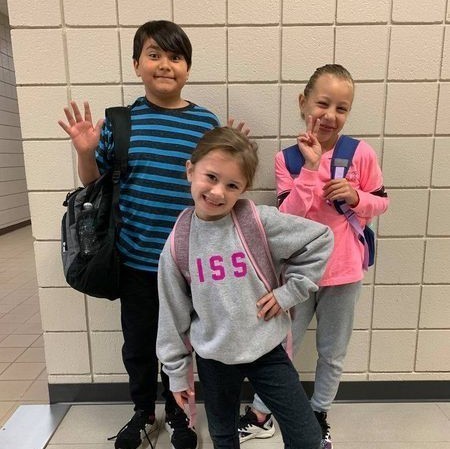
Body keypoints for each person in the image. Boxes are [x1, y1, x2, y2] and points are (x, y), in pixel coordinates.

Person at [58, 20, 226, 449]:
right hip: (135, 259)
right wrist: (84, 152)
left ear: (187, 67)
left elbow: (217, 184)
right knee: (138, 344)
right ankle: (141, 410)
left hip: (189, 262)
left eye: (175, 56)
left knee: (186, 342)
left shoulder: (206, 123)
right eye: (154, 55)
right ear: (137, 64)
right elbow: (94, 181)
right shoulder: (122, 120)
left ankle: (179, 413)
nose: (165, 64)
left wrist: (233, 157)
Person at [238, 64, 389, 449]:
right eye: (322, 103)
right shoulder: (287, 159)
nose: (330, 115)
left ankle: (319, 412)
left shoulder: (361, 154)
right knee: (281, 346)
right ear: (303, 102)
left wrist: (356, 197)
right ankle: (261, 413)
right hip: (298, 275)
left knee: (332, 351)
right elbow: (288, 218)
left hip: (345, 272)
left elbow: (380, 203)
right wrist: (310, 167)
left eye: (342, 108)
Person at [156, 126, 334, 449]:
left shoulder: (256, 221)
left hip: (266, 349)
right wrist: (177, 374)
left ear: (244, 189)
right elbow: (172, 316)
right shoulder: (179, 241)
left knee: (307, 436)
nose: (218, 192)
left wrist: (288, 293)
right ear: (190, 171)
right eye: (210, 177)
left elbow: (321, 239)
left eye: (232, 185)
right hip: (214, 358)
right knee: (223, 435)